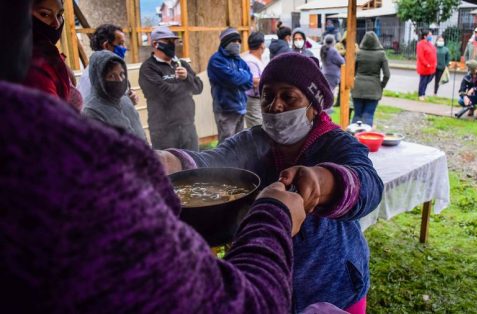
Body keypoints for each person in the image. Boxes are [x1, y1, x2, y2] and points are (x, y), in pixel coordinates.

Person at [0, 3, 318, 312]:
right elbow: (247, 304)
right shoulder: (69, 168)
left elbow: (194, 88)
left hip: (182, 130)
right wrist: (272, 215)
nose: (276, 107)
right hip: (167, 129)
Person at [158, 52, 384, 313]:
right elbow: (215, 162)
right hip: (265, 284)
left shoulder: (336, 142)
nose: (275, 106)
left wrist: (323, 182)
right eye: (267, 96)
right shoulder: (253, 141)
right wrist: (171, 162)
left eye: (289, 97)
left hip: (335, 286)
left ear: (312, 105)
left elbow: (368, 186)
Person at [139, 26, 203, 150]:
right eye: (168, 41)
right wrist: (187, 85)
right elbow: (164, 94)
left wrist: (187, 78)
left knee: (194, 166)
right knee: (170, 169)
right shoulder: (148, 68)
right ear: (155, 44)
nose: (172, 44)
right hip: (163, 131)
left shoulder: (181, 64)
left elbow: (198, 87)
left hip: (187, 127)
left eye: (173, 41)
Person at [23, 0, 82, 111]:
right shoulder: (33, 65)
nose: (56, 23)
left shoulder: (52, 56)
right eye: (44, 14)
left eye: (59, 15)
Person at [82, 51, 146, 141]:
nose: (119, 80)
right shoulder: (91, 111)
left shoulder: (125, 99)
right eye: (111, 76)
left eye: (121, 74)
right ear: (99, 79)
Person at [207, 27, 253, 143]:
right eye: (234, 41)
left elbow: (250, 82)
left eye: (239, 41)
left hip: (241, 108)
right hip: (225, 110)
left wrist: (240, 78)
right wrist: (243, 76)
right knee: (226, 145)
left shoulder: (240, 61)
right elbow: (233, 80)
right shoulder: (216, 61)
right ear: (226, 43)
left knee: (238, 144)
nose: (237, 44)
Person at [77, 24, 139, 105]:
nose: (124, 48)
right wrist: (126, 103)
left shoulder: (115, 70)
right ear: (106, 45)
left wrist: (130, 97)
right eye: (120, 43)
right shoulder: (90, 78)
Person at [351, 31, 390, 127]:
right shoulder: (381, 54)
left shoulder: (359, 53)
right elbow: (387, 74)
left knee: (357, 115)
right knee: (368, 115)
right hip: (374, 89)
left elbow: (352, 71)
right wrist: (381, 85)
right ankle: (365, 139)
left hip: (358, 88)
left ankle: (352, 138)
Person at [242, 31, 267, 128]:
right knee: (257, 128)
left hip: (259, 100)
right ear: (261, 45)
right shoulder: (250, 61)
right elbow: (254, 82)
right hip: (253, 100)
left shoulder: (258, 59)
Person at [416, 30, 437, 101]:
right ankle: (420, 94)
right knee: (423, 81)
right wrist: (426, 63)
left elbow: (433, 53)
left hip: (431, 67)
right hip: (424, 67)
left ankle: (423, 93)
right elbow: (420, 56)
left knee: (427, 81)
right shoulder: (420, 44)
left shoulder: (430, 44)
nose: (431, 36)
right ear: (425, 36)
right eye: (430, 35)